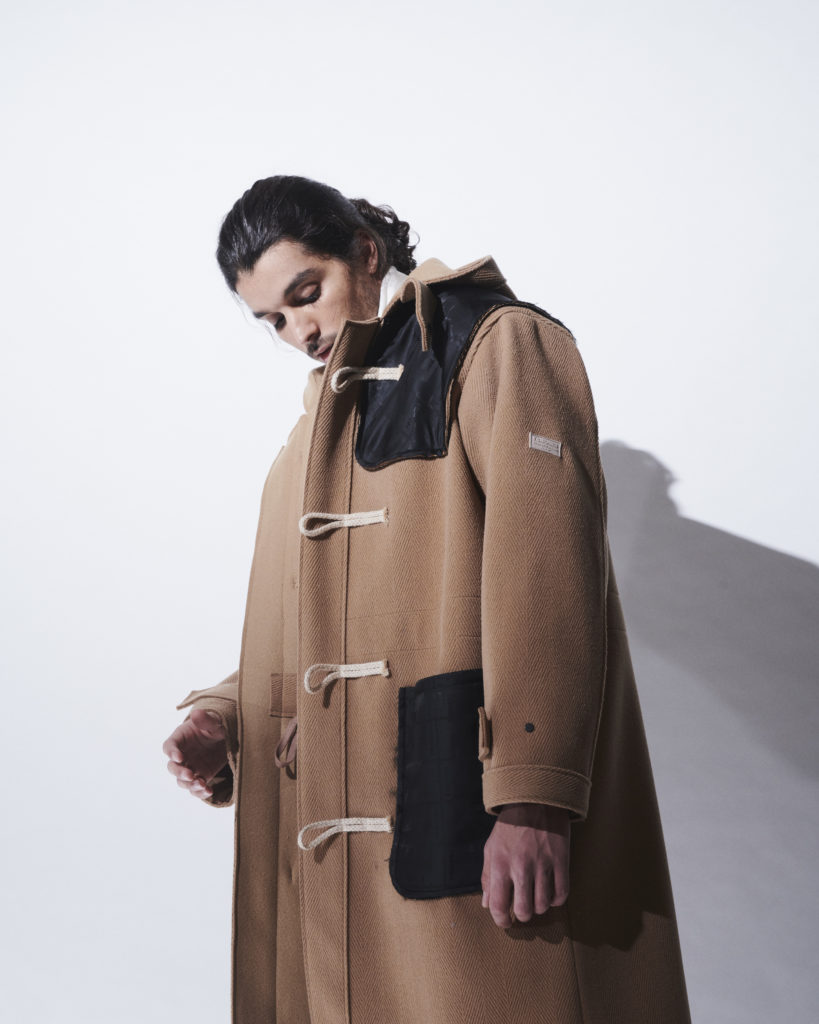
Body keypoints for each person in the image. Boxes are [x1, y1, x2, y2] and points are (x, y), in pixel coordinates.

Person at [162, 175, 691, 1024]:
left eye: (306, 293)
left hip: (463, 792)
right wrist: (229, 712)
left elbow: (548, 578)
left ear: (365, 252)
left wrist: (532, 797)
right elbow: (330, 610)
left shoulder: (493, 343)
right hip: (347, 804)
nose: (299, 332)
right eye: (273, 321)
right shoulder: (326, 411)